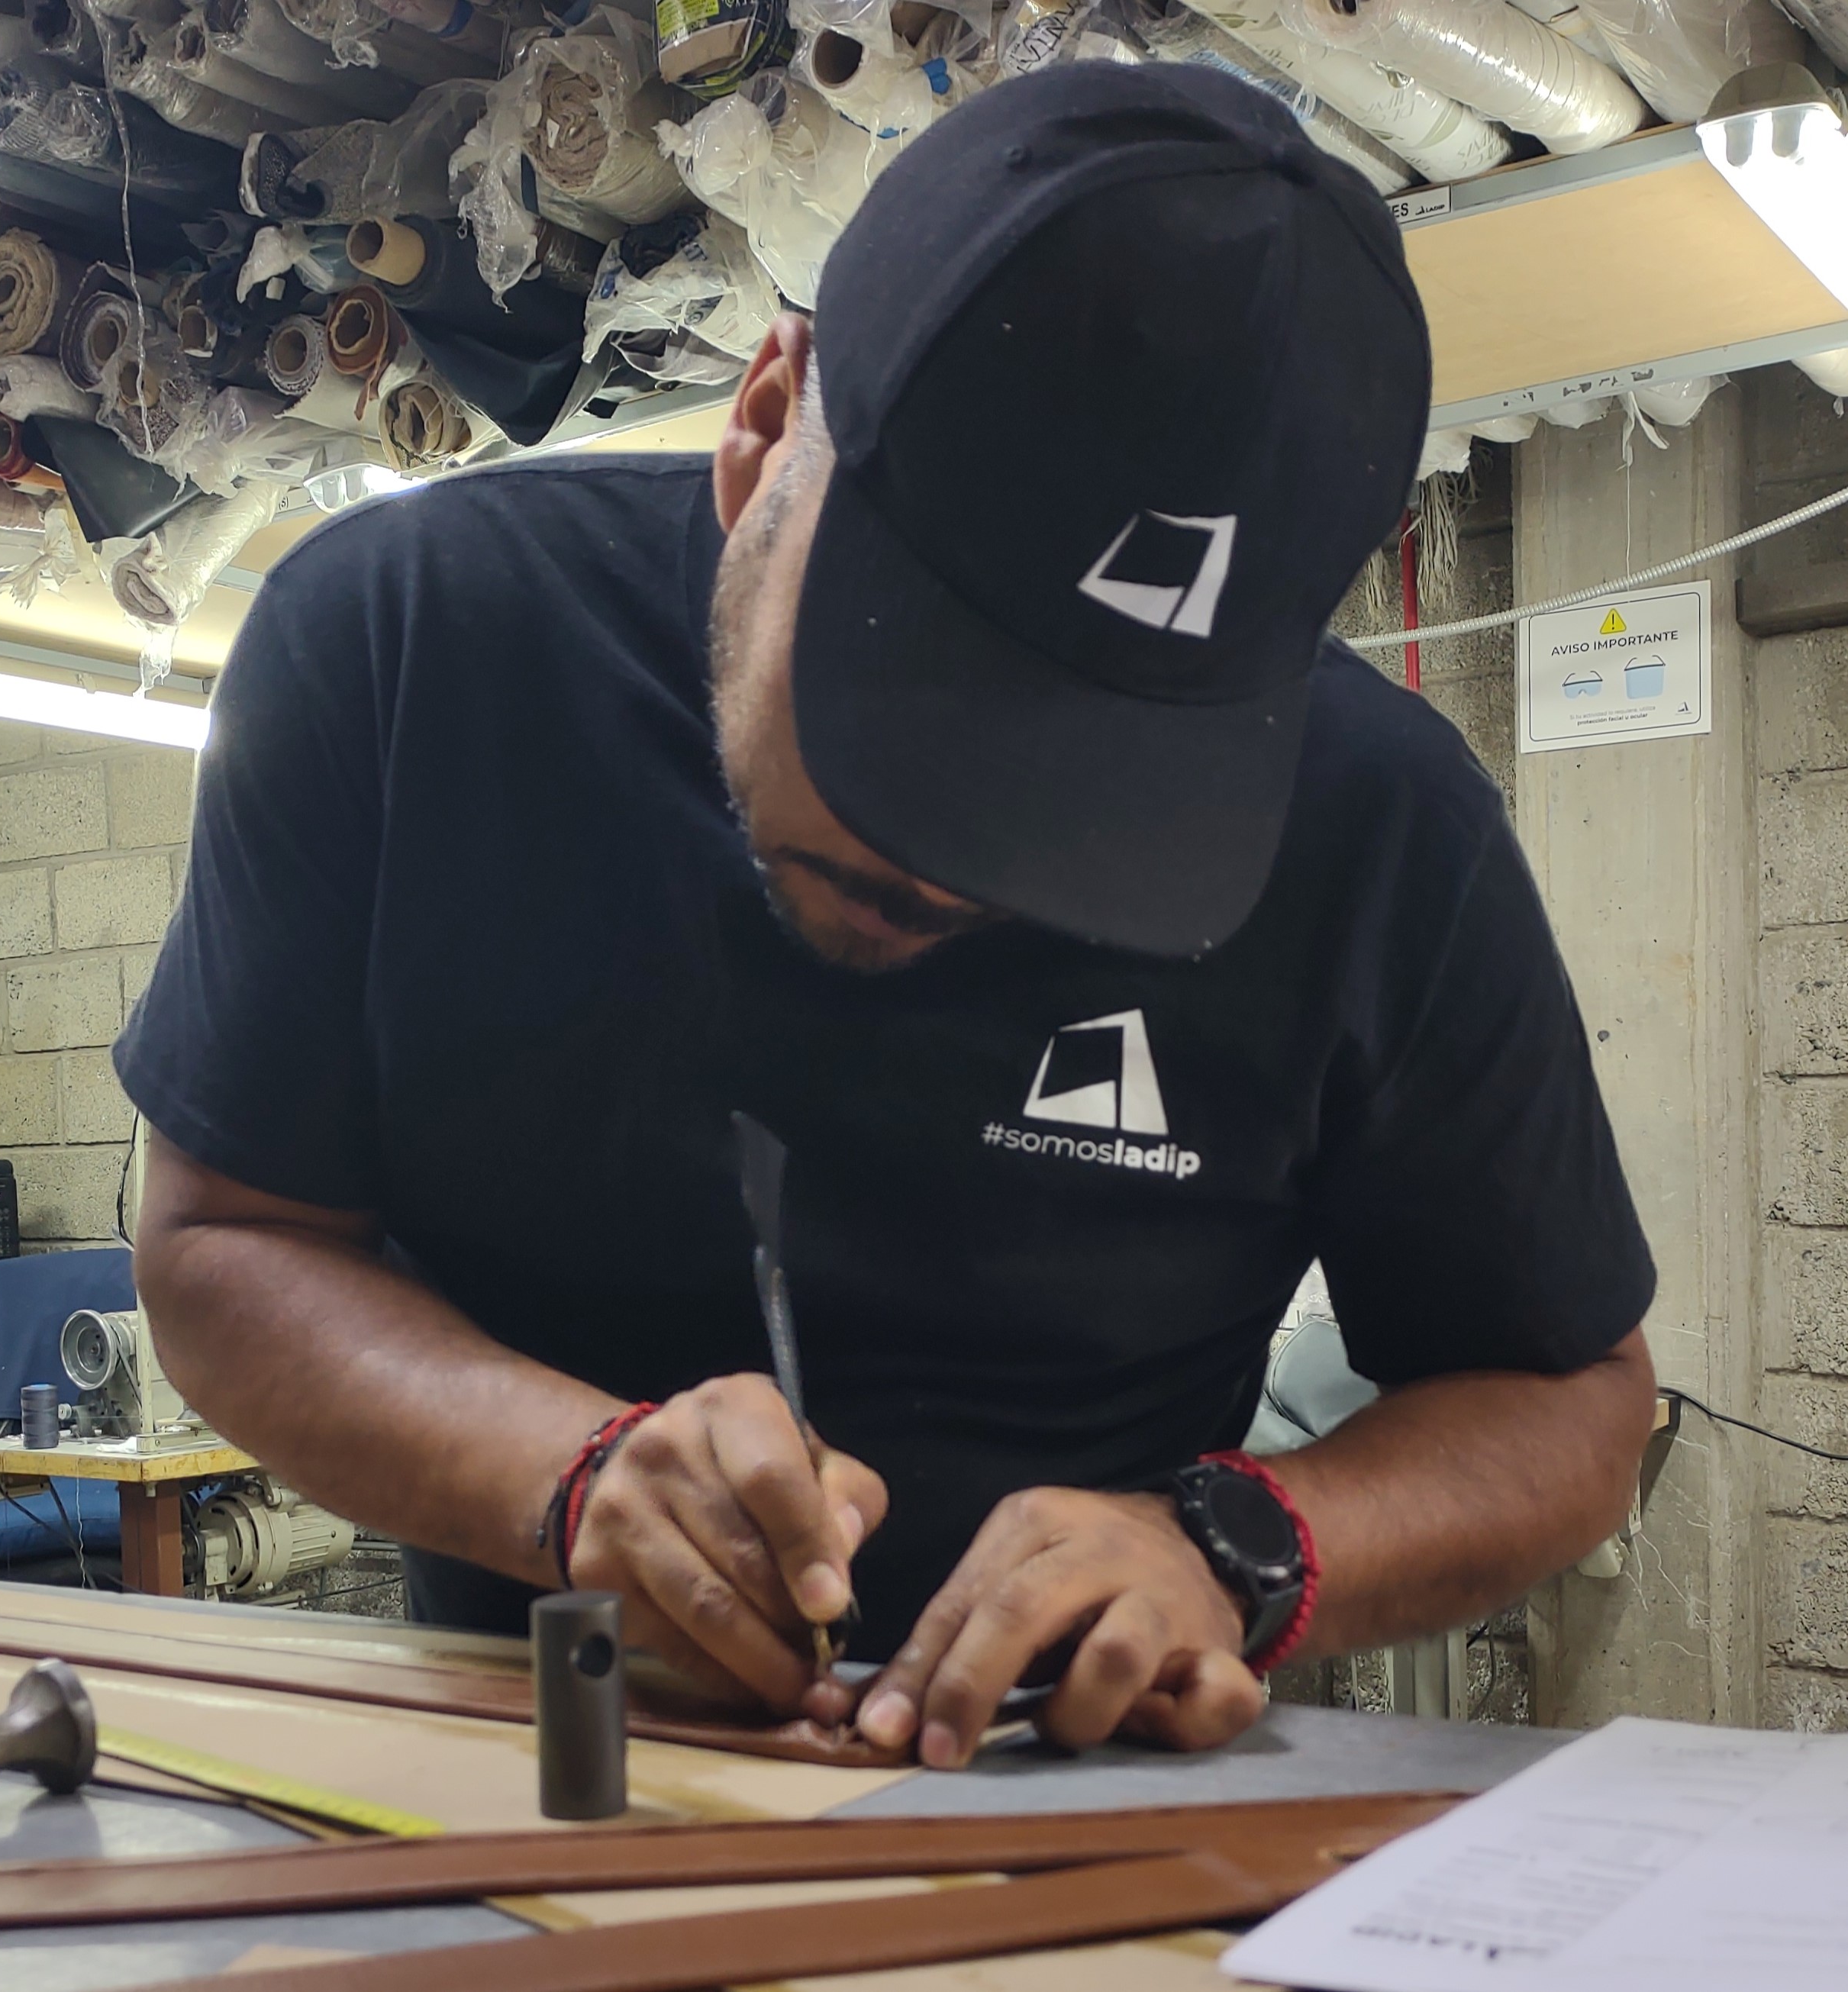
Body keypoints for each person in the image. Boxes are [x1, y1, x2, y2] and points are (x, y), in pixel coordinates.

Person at [119, 63, 1657, 1769]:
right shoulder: (406, 651)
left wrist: (1245, 1546)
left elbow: (1570, 1401)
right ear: (764, 429)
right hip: (535, 1767)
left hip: (1085, 1801)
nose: (955, 863)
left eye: (1100, 779)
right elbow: (223, 1244)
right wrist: (573, 1477)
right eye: (913, 699)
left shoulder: (1387, 833)